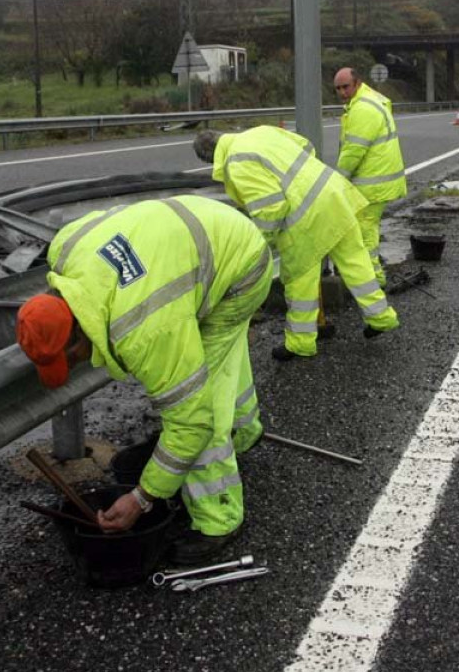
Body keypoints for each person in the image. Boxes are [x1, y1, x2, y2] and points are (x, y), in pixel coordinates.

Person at [16, 195, 273, 566]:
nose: (76, 365)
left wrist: (141, 499)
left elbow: (191, 423)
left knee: (204, 405)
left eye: (70, 359)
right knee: (220, 365)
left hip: (241, 267)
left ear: (76, 333)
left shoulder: (144, 329)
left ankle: (220, 518)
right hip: (209, 227)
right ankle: (247, 430)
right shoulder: (66, 249)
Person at [193, 126, 399, 361]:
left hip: (305, 219)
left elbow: (270, 207)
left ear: (210, 158)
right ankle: (381, 317)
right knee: (355, 262)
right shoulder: (260, 132)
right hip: (333, 195)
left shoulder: (236, 162)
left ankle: (300, 343)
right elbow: (306, 145)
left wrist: (261, 245)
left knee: (300, 282)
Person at [333, 67, 407, 286]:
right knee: (367, 230)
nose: (342, 92)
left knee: (365, 234)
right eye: (338, 88)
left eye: (345, 87)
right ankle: (371, 277)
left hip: (372, 185)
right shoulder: (368, 100)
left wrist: (337, 182)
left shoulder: (362, 109)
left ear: (357, 83)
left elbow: (353, 151)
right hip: (379, 181)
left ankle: (373, 281)